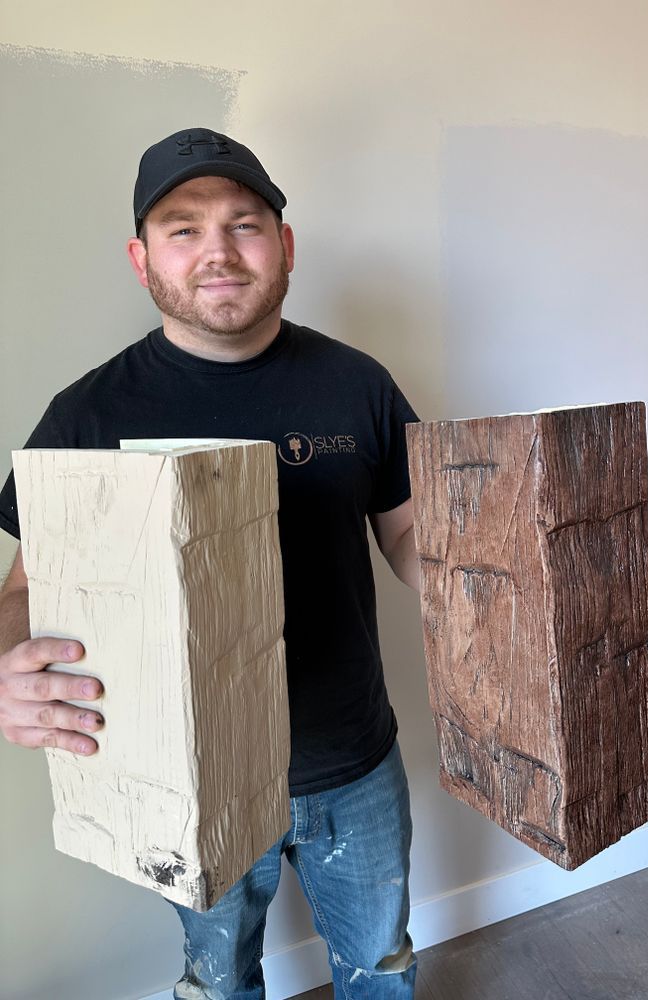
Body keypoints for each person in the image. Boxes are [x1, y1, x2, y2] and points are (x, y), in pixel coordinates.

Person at [0, 127, 421, 999]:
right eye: (182, 228)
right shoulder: (84, 414)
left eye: (246, 223)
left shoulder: (359, 385)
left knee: (382, 969)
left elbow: (410, 537)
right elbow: (27, 586)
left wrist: (491, 596)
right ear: (140, 256)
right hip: (182, 780)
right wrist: (4, 667)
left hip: (355, 763)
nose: (218, 251)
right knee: (218, 979)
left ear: (285, 244)